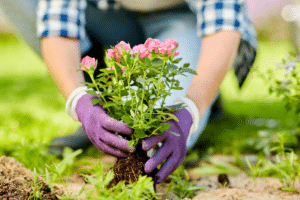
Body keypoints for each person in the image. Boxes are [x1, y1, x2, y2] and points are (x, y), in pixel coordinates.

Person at [0, 0, 257, 183]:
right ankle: (105, 107)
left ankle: (205, 95)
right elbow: (58, 25)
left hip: (183, 16)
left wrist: (191, 106)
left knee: (159, 131)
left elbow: (223, 25)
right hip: (109, 14)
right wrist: (79, 100)